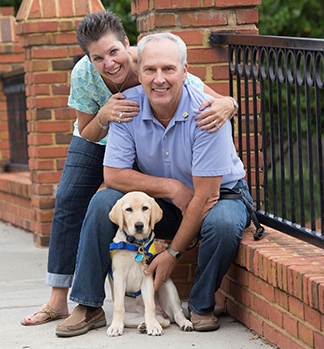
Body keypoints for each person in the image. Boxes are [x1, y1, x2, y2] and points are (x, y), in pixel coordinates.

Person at [21, 12, 238, 326]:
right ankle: (62, 300)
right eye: (98, 57)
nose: (109, 63)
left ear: (127, 44)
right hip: (101, 135)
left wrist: (231, 103)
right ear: (88, 58)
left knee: (146, 195)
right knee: (70, 199)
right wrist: (105, 115)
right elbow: (88, 132)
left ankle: (202, 297)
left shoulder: (154, 64)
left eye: (113, 52)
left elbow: (215, 103)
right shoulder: (84, 74)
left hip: (143, 141)